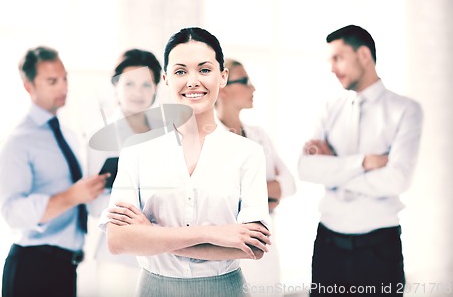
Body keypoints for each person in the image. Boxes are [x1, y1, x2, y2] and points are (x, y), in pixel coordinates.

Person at [99, 27, 272, 297]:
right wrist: (215, 234)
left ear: (222, 76)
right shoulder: (137, 150)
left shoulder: (247, 153)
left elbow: (254, 247)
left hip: (225, 289)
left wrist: (152, 235)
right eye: (181, 72)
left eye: (204, 70)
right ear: (166, 79)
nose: (192, 81)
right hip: (155, 288)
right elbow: (119, 240)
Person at [298, 25, 423, 296]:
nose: (332, 68)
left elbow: (397, 180)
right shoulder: (329, 109)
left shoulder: (406, 110)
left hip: (379, 248)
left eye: (338, 58)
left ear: (364, 54)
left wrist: (333, 167)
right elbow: (306, 168)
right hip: (328, 244)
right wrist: (363, 162)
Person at [0, 46, 108, 297]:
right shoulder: (17, 142)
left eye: (65, 78)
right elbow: (12, 212)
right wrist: (72, 196)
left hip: (66, 267)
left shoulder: (67, 134)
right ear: (29, 87)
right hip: (33, 268)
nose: (63, 87)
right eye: (52, 81)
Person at [215, 58, 296, 294]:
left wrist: (253, 193)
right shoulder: (208, 141)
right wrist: (267, 194)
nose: (253, 88)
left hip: (266, 249)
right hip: (227, 255)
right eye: (245, 81)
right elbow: (222, 199)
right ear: (223, 89)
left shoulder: (259, 136)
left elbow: (289, 184)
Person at [85, 49, 162, 297]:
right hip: (118, 259)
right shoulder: (98, 137)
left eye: (146, 84)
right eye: (130, 84)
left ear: (156, 87)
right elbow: (94, 205)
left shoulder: (170, 135)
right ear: (116, 85)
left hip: (162, 254)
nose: (138, 93)